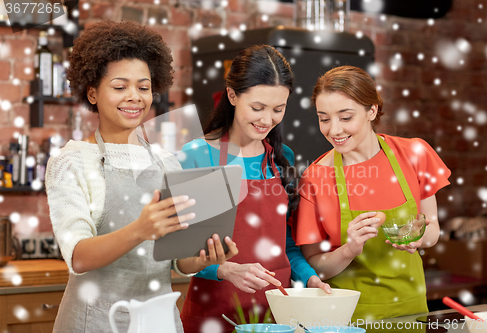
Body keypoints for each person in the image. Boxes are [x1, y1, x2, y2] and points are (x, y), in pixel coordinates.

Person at [45, 20, 237, 333]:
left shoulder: (167, 163)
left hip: (158, 324)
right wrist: (141, 229)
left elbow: (178, 261)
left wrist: (206, 256)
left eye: (144, 87)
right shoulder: (73, 162)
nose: (135, 96)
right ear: (92, 93)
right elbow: (78, 256)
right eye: (120, 87)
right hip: (94, 323)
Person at [178, 45, 331, 333]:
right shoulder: (197, 155)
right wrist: (224, 270)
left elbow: (286, 245)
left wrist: (310, 279)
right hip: (214, 316)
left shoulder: (282, 157)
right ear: (233, 95)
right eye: (257, 108)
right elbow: (181, 257)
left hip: (276, 316)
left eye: (278, 109)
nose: (266, 120)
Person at [289, 65, 451, 322]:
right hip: (347, 317)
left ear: (371, 110)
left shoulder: (414, 154)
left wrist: (418, 238)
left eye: (345, 117)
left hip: (411, 311)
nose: (334, 130)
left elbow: (432, 230)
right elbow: (315, 267)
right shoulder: (315, 177)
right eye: (324, 118)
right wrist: (349, 250)